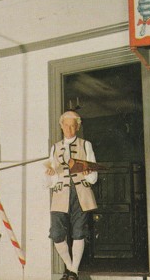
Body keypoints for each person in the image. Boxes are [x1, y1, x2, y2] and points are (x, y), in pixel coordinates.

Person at [45, 111, 98, 280]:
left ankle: (72, 272)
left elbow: (93, 177)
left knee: (79, 231)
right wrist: (51, 173)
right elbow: (50, 181)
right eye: (65, 125)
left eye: (72, 125)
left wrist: (88, 172)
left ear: (77, 127)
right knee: (57, 233)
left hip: (80, 194)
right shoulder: (54, 147)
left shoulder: (85, 145)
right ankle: (71, 269)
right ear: (61, 126)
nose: (69, 128)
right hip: (60, 193)